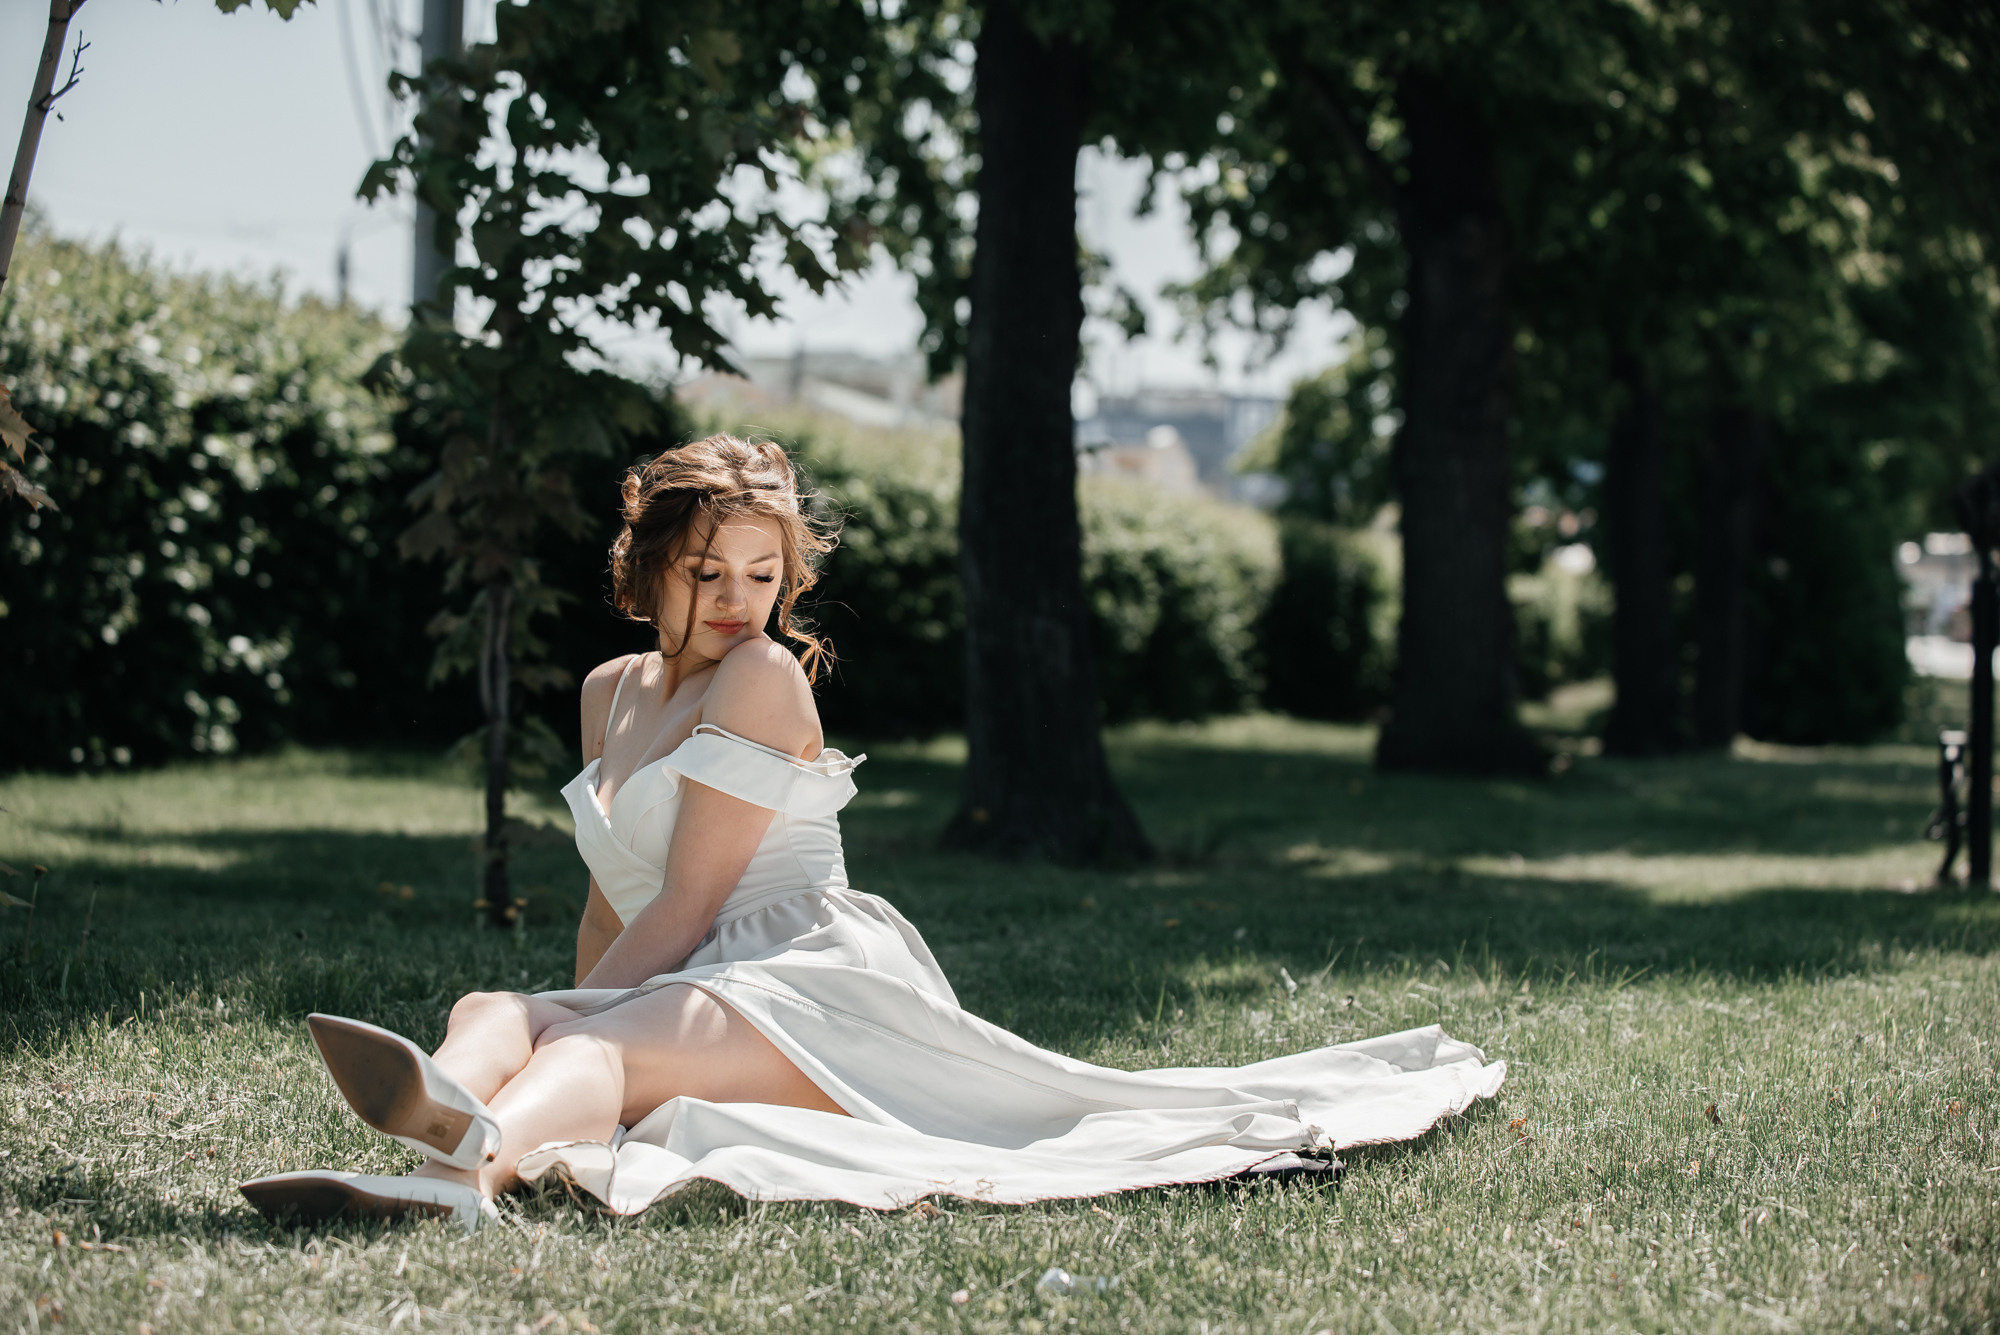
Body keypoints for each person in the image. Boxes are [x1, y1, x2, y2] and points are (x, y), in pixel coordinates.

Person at [240, 435, 1504, 1229]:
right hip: (688, 974)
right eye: (707, 572)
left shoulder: (760, 679)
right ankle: (452, 1121)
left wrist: (573, 1016)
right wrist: (549, 1008)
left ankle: (463, 1173)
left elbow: (688, 909)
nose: (738, 600)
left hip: (799, 975)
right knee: (494, 1002)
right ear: (650, 566)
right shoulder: (606, 692)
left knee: (593, 1041)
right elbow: (614, 901)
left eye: (762, 574)